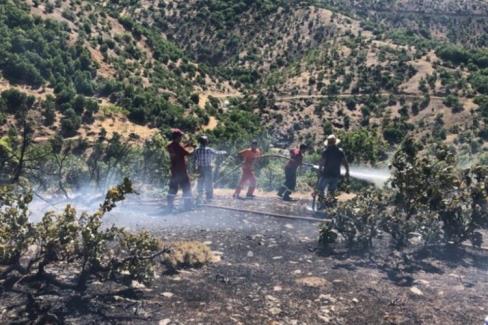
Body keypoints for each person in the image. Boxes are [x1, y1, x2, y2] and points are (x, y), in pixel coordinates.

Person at [193, 135, 227, 202]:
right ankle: (209, 197)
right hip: (208, 168)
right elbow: (217, 153)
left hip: (200, 168)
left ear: (200, 142)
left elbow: (194, 160)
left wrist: (194, 168)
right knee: (209, 183)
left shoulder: (197, 150)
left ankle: (200, 196)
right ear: (206, 142)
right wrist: (224, 152)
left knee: (200, 182)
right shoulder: (209, 150)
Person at [166, 129, 193, 210]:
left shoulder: (170, 146)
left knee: (173, 188)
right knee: (186, 187)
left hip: (174, 171)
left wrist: (184, 147)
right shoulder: (179, 147)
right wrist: (193, 149)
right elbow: (188, 154)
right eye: (180, 137)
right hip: (181, 171)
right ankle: (187, 206)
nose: (181, 138)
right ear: (177, 137)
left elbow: (178, 152)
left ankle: (170, 205)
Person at [318, 134, 350, 202]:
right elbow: (345, 163)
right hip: (335, 175)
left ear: (328, 143)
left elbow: (322, 163)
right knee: (331, 190)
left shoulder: (325, 152)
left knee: (321, 188)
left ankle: (321, 204)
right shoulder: (340, 151)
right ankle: (330, 205)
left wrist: (319, 170)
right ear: (335, 142)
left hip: (326, 174)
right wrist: (347, 172)